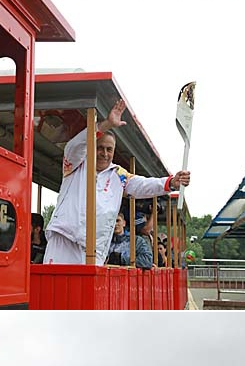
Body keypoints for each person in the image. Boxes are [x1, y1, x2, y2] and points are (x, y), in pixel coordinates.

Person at [44, 99, 190, 265]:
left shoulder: (118, 174)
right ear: (92, 146)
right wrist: (106, 125)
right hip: (64, 239)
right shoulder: (76, 164)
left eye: (109, 149)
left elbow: (142, 185)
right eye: (100, 148)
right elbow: (74, 146)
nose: (104, 153)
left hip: (94, 249)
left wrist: (171, 182)